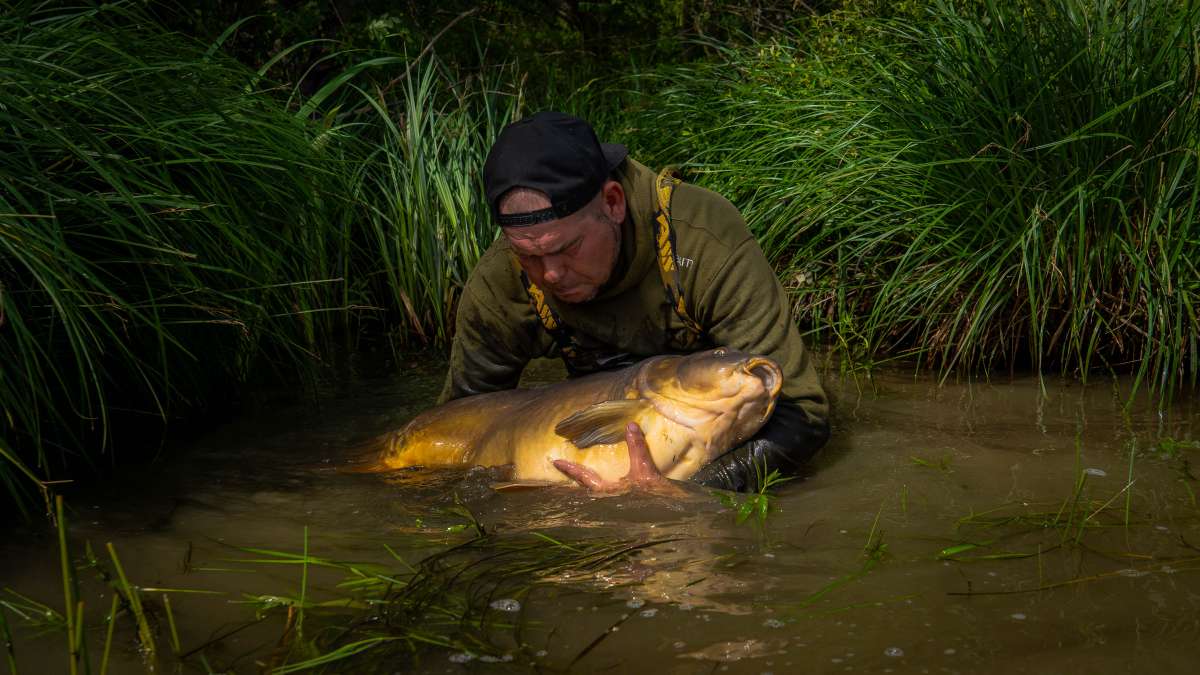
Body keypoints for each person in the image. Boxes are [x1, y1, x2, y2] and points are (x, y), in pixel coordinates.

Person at [438, 111, 829, 491]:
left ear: (612, 203)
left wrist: (687, 495)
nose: (551, 274)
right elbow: (462, 424)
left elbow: (803, 414)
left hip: (708, 438)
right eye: (529, 257)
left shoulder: (702, 238)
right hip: (599, 435)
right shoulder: (500, 279)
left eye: (568, 248)